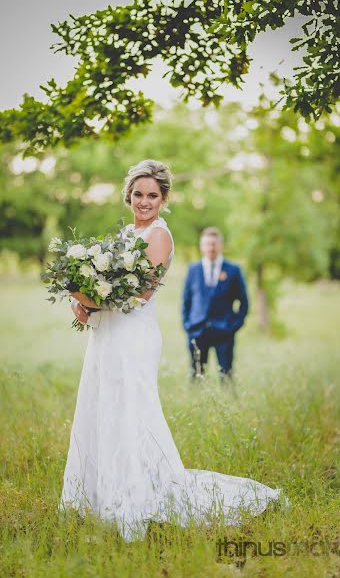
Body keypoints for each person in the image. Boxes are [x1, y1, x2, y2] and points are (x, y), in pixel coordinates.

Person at [60, 159, 287, 542]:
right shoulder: (128, 232)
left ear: (164, 198)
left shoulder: (159, 236)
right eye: (137, 194)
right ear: (128, 196)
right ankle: (101, 495)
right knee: (105, 405)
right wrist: (78, 301)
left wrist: (91, 299)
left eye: (152, 195)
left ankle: (133, 497)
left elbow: (140, 294)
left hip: (133, 336)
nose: (144, 202)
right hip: (108, 335)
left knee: (133, 409)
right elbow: (103, 287)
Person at [182, 227, 249, 384]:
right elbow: (186, 301)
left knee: (226, 377)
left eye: (214, 244)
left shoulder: (233, 270)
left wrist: (234, 326)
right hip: (197, 331)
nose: (210, 248)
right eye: (207, 244)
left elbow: (244, 302)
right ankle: (195, 406)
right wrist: (187, 325)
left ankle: (229, 405)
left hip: (224, 332)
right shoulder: (193, 270)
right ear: (201, 246)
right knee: (196, 377)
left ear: (220, 246)